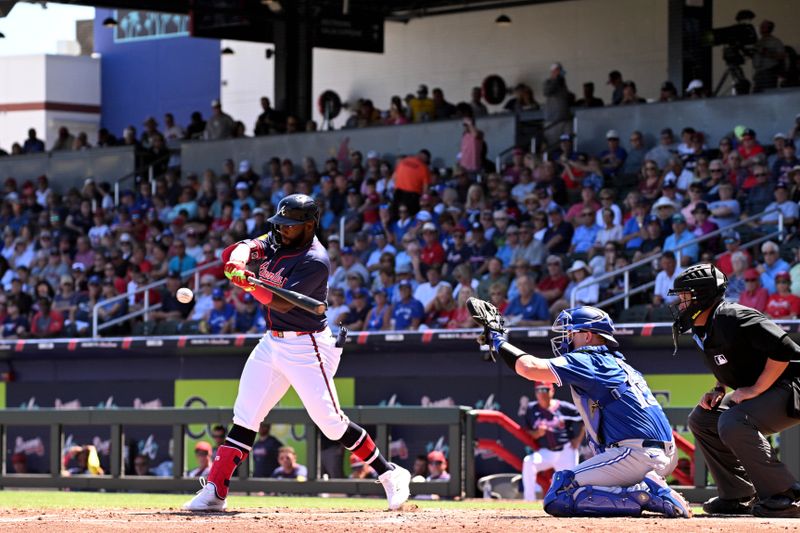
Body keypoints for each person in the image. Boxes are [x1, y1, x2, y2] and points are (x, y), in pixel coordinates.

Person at [184, 194, 410, 512]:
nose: (283, 231)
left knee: (330, 423)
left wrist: (248, 284)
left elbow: (283, 302)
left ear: (309, 226)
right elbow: (240, 249)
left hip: (308, 345)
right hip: (272, 342)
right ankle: (215, 491)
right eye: (281, 225)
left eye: (290, 226)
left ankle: (391, 474)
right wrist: (239, 259)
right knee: (245, 415)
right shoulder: (278, 240)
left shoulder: (315, 259)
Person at [477, 305, 690, 518]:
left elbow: (529, 367)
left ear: (587, 336)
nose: (566, 339)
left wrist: (498, 340)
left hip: (637, 456)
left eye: (571, 333)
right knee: (582, 487)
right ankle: (645, 488)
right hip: (663, 456)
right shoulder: (620, 363)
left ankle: (644, 494)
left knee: (560, 492)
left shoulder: (588, 359)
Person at [669, 264, 800, 517]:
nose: (680, 303)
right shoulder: (701, 327)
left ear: (702, 296)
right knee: (703, 418)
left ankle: (785, 494)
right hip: (772, 390)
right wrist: (719, 387)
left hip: (793, 386)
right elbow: (727, 362)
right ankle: (738, 494)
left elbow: (786, 349)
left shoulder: (734, 316)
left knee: (733, 420)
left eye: (684, 297)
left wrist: (754, 389)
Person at [521, 381, 583, 501]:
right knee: (528, 462)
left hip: (565, 450)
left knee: (570, 482)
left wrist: (578, 439)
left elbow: (585, 419)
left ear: (552, 391)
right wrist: (537, 433)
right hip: (546, 452)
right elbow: (527, 431)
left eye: (545, 390)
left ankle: (573, 504)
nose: (542, 393)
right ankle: (529, 499)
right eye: (539, 390)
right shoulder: (531, 409)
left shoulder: (564, 407)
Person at [752, 20, 786, 93]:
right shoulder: (759, 42)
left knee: (768, 95)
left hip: (769, 73)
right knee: (756, 96)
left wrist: (765, 52)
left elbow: (781, 56)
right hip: (759, 73)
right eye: (761, 26)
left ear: (769, 28)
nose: (761, 28)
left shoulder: (775, 41)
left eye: (763, 27)